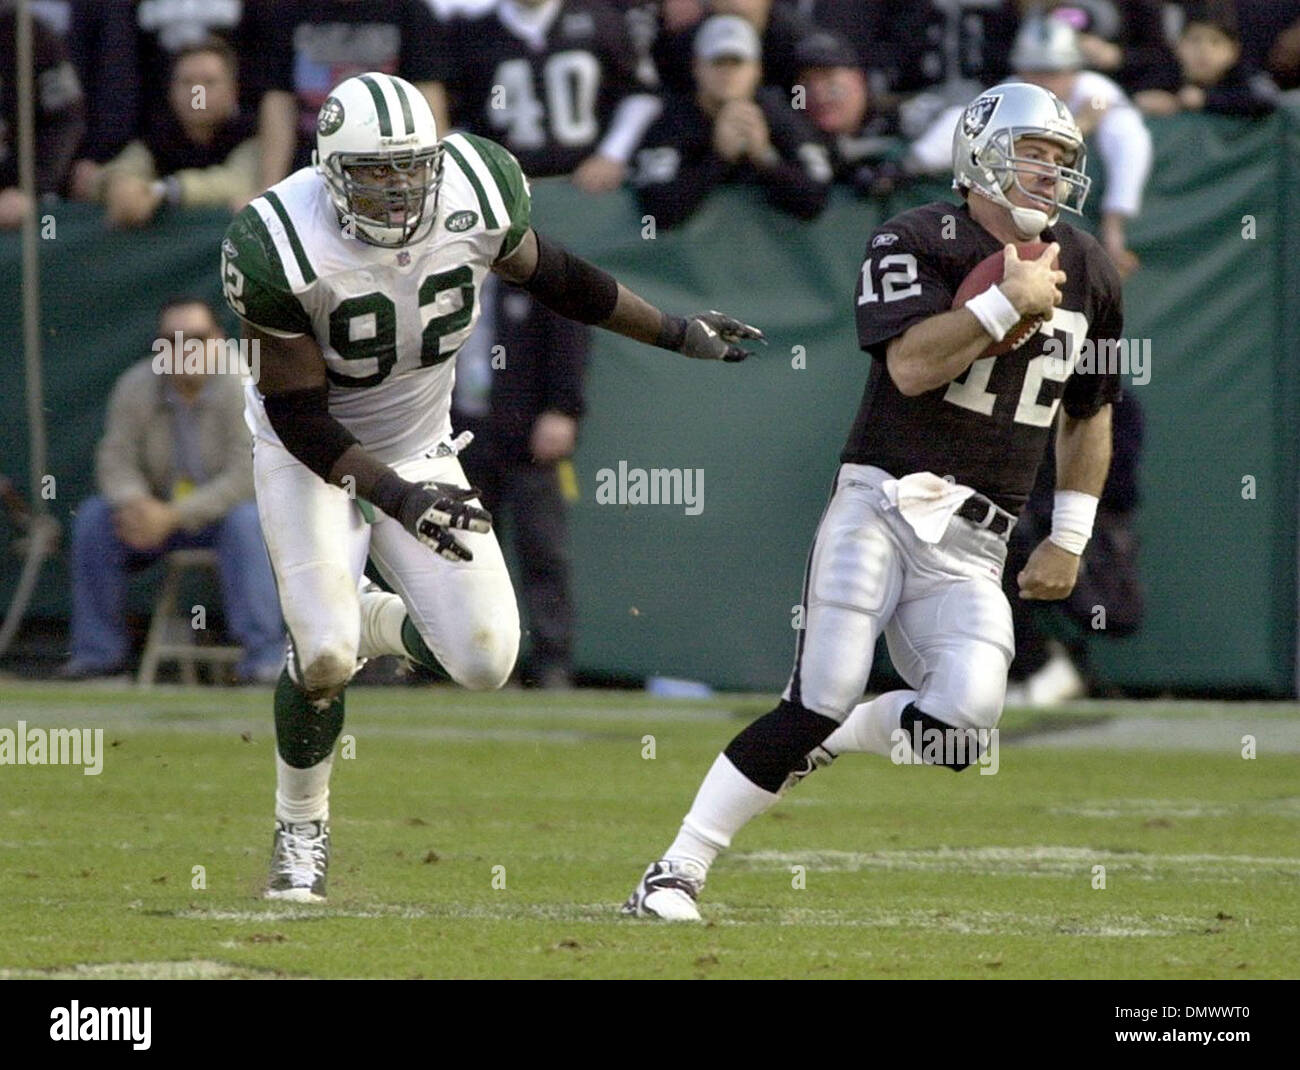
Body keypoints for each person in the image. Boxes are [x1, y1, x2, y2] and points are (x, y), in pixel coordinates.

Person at [220, 71, 762, 901]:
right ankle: (302, 828)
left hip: (418, 439)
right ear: (331, 171)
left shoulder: (477, 181)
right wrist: (396, 498)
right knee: (322, 657)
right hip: (309, 453)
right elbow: (299, 416)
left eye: (411, 168)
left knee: (484, 659)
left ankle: (365, 618)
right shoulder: (276, 242)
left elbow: (560, 279)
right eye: (375, 173)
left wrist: (678, 332)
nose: (400, 190)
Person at [624, 81, 1123, 920]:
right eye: (1031, 152)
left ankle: (839, 737)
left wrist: (1070, 534)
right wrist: (1007, 300)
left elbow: (1090, 413)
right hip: (884, 503)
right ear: (979, 155)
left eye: (1060, 160)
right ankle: (674, 870)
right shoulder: (918, 236)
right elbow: (912, 367)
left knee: (963, 729)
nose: (1047, 173)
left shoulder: (1091, 269)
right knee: (817, 692)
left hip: (978, 540)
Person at [60, 298, 284, 683]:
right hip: (153, 518)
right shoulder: (136, 385)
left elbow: (248, 476)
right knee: (96, 519)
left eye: (197, 338)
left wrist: (175, 515)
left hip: (223, 519)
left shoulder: (246, 385)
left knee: (247, 523)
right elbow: (115, 458)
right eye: (173, 339)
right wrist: (134, 502)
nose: (186, 349)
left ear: (218, 339)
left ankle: (264, 662)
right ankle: (98, 660)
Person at [451, 276, 587, 688]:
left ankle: (552, 661)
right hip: (458, 435)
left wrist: (563, 407)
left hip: (527, 437)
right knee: (466, 554)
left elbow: (572, 338)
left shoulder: (539, 273)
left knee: (542, 551)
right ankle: (475, 662)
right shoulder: (441, 272)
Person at [438, 0, 661, 192]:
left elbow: (641, 93)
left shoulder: (601, 20)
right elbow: (455, 118)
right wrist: (488, 169)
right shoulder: (470, 34)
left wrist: (612, 154)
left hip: (589, 185)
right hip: (509, 190)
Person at [631, 14, 830, 229]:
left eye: (737, 62)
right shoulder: (674, 120)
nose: (728, 73)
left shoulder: (779, 115)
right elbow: (656, 213)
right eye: (718, 62)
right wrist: (718, 158)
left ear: (756, 69)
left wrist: (765, 158)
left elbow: (815, 200)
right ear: (697, 66)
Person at [94, 38, 258, 226]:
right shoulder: (159, 136)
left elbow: (238, 182)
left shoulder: (251, 135)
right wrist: (117, 185)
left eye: (209, 82)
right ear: (171, 91)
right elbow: (127, 166)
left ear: (232, 91)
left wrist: (163, 191)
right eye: (187, 82)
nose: (198, 94)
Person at [0, 5, 84, 229]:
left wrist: (29, 188)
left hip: (25, 201)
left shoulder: (30, 34)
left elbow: (65, 119)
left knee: (49, 236)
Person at [1136, 3, 1278, 118]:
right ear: (1178, 46)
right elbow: (1132, 92)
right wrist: (1143, 100)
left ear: (1233, 51)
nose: (1204, 51)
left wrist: (1207, 99)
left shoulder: (1241, 74)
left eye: (1215, 42)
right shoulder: (1165, 73)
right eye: (1194, 41)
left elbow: (1266, 97)